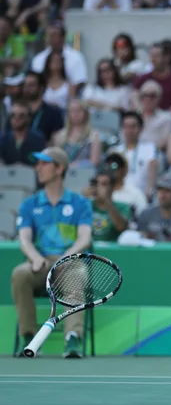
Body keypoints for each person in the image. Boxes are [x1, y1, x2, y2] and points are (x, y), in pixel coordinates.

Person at [12, 147, 92, 358]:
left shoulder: (80, 203)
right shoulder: (29, 204)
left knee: (78, 274)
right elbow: (24, 239)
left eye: (44, 163)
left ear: (59, 169)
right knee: (20, 274)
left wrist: (69, 255)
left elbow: (85, 237)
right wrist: (35, 258)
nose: (38, 168)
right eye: (38, 163)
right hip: (41, 262)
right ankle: (29, 337)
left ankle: (72, 338)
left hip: (69, 261)